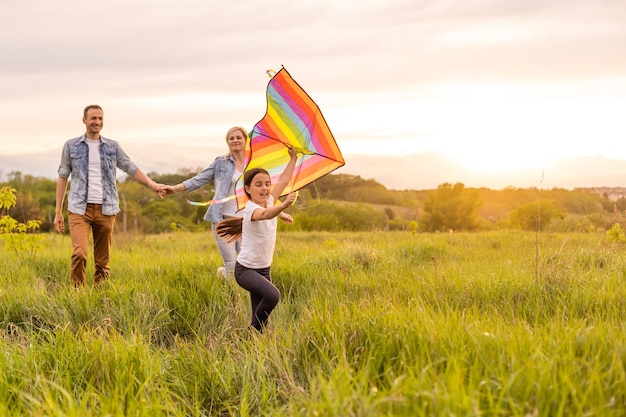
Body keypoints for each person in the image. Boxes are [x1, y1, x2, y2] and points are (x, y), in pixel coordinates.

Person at [54, 104, 165, 287]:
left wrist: (151, 184)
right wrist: (58, 212)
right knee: (79, 253)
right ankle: (77, 295)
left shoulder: (112, 146)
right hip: (79, 208)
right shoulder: (71, 146)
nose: (97, 122)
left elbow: (130, 166)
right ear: (84, 120)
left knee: (103, 261)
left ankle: (101, 296)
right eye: (93, 118)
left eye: (100, 119)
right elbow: (63, 177)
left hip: (106, 209)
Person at [163, 126, 292, 279]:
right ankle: (230, 299)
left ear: (245, 140)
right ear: (227, 142)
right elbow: (198, 179)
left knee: (246, 264)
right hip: (223, 220)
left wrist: (280, 211)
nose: (235, 140)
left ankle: (226, 278)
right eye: (231, 138)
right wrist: (174, 188)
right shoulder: (221, 163)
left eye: (238, 137)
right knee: (231, 266)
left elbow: (264, 193)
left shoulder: (254, 164)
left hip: (246, 221)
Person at [215, 147, 297, 332]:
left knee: (261, 317)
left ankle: (254, 341)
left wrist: (293, 158)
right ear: (248, 189)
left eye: (267, 183)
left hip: (264, 269)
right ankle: (250, 332)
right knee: (273, 296)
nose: (265, 188)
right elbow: (266, 214)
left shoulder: (269, 201)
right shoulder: (251, 209)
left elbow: (284, 180)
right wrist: (283, 205)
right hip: (245, 270)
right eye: (258, 184)